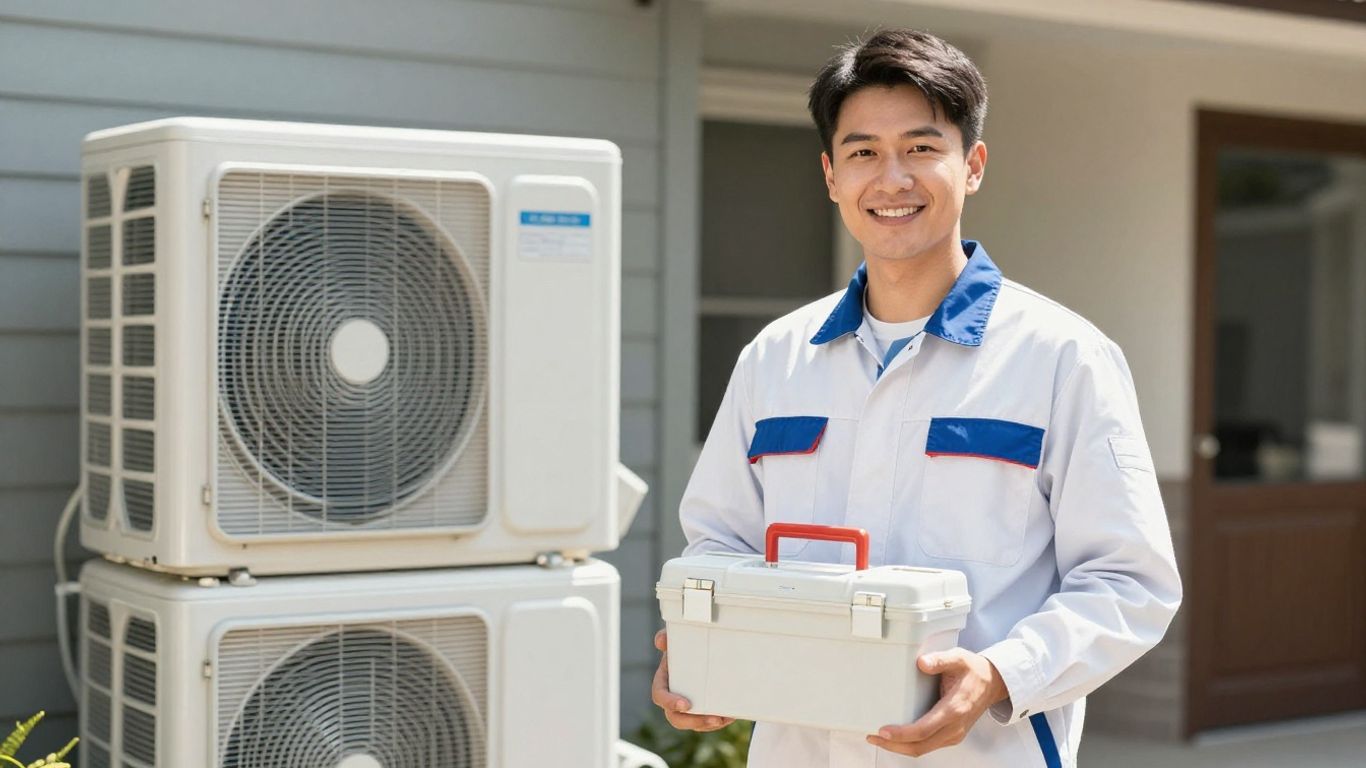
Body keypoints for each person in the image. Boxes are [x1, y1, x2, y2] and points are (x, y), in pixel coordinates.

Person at [649, 27, 1182, 768]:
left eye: (921, 148)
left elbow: (1131, 583)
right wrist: (702, 646)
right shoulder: (775, 358)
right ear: (831, 176)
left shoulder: (1063, 358)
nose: (891, 179)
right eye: (863, 152)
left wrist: (1001, 673)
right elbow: (720, 544)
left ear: (973, 166)